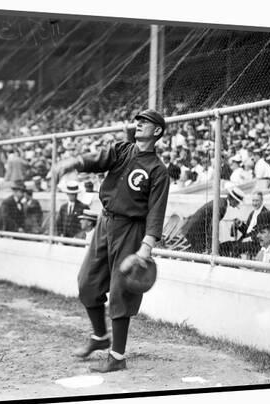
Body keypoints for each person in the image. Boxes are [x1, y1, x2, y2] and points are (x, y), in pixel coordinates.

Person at [52, 109, 170, 373]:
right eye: (138, 121)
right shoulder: (122, 150)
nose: (139, 124)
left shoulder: (158, 170)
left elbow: (156, 212)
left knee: (120, 291)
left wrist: (146, 248)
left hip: (131, 229)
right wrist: (71, 163)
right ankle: (99, 336)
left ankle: (117, 356)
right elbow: (97, 160)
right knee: (87, 282)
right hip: (105, 222)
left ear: (158, 131)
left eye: (146, 122)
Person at [181, 186, 245, 254]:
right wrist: (213, 244)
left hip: (193, 228)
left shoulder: (221, 201)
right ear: (234, 200)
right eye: (237, 203)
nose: (236, 205)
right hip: (196, 232)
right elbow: (212, 226)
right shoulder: (222, 207)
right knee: (198, 254)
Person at [220, 191, 267, 258]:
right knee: (223, 246)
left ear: (262, 201)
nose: (254, 203)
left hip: (256, 243)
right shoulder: (252, 213)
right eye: (253, 201)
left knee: (236, 248)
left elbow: (263, 233)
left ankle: (233, 265)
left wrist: (250, 238)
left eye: (257, 201)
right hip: (245, 240)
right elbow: (247, 231)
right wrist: (240, 224)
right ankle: (225, 264)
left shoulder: (265, 214)